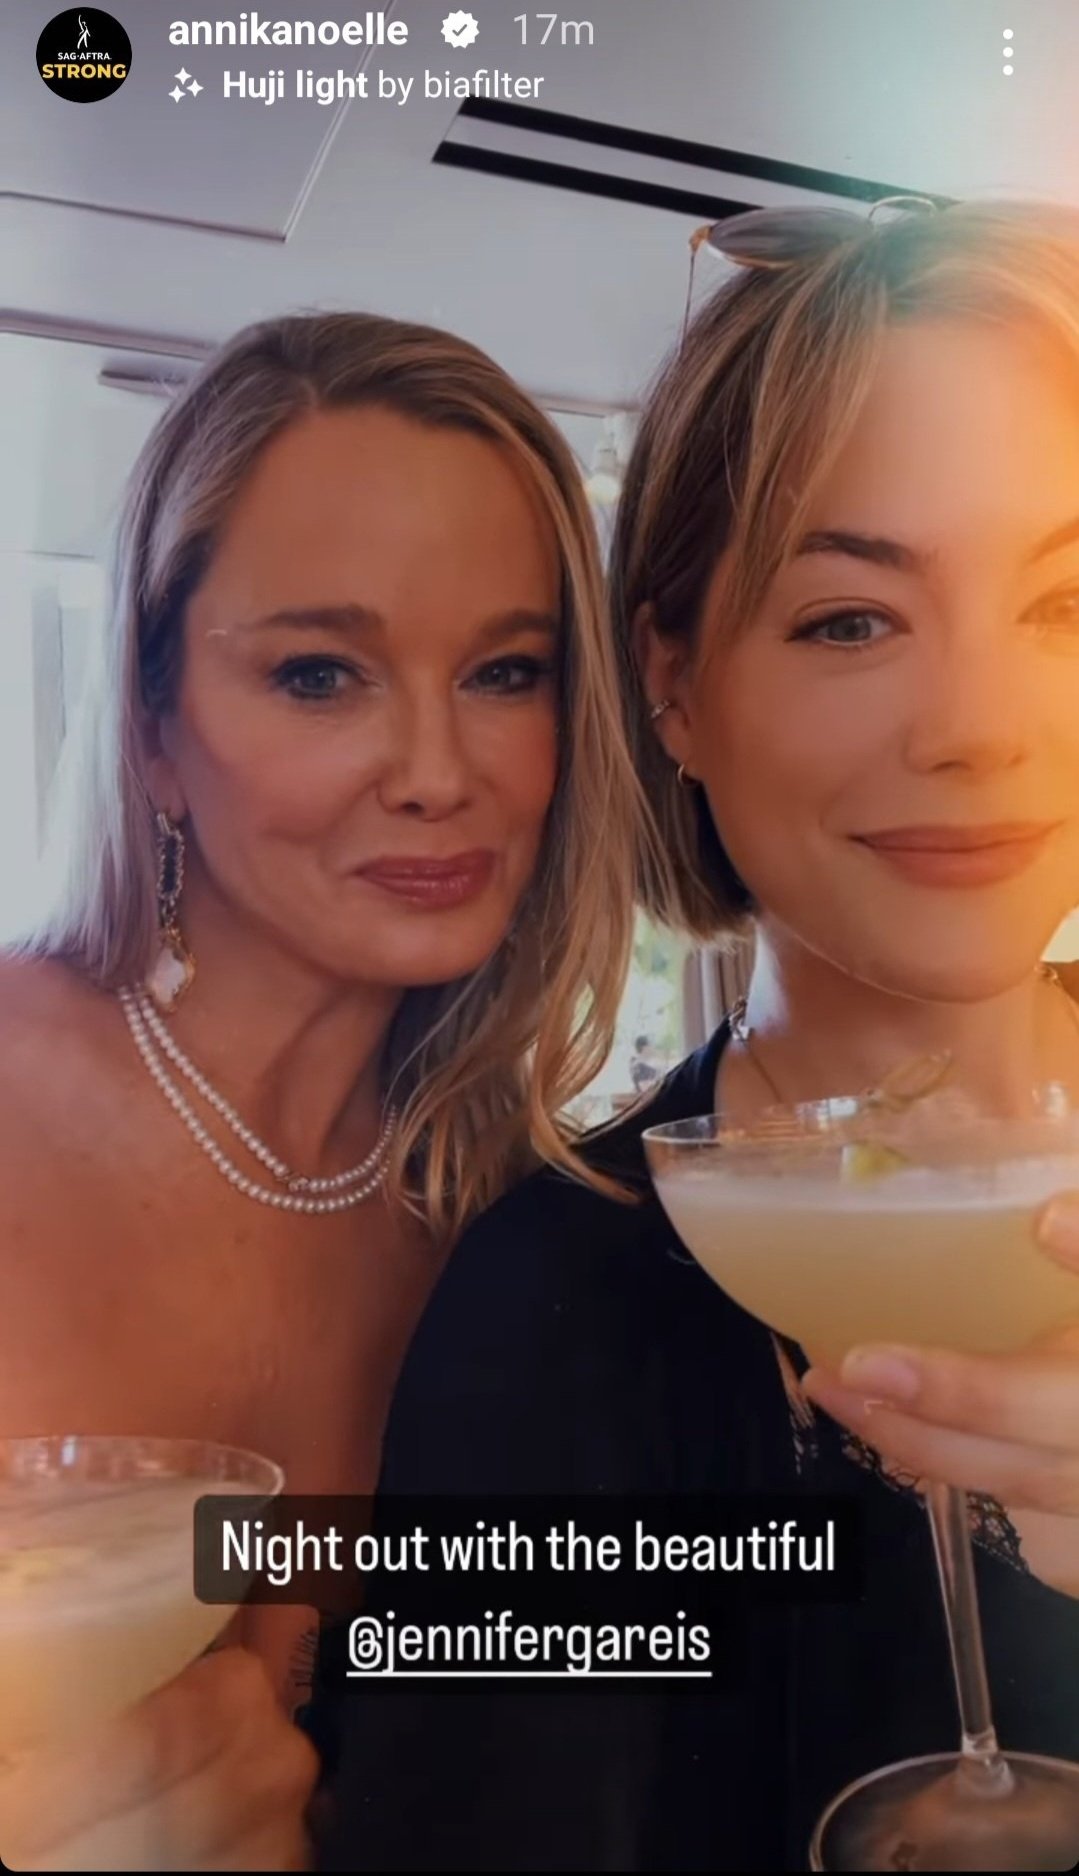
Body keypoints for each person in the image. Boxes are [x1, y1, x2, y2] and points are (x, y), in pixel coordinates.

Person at [320, 202, 1079, 1871]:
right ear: (672, 679)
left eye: (1064, 603)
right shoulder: (553, 1309)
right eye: (849, 619)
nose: (978, 727)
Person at [0, 312, 646, 1870]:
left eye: (504, 672)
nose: (436, 771)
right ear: (153, 729)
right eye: (318, 674)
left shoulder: (506, 1234)